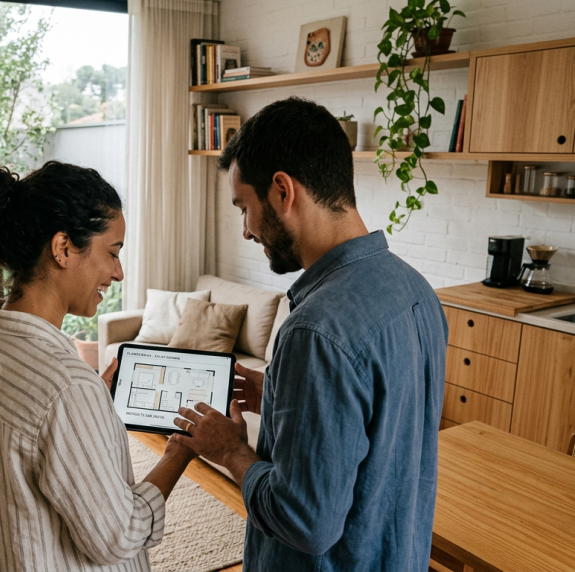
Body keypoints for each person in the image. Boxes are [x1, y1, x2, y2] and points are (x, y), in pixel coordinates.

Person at [173, 97, 448, 571]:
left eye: (245, 207)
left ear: (283, 191)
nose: (246, 230)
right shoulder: (417, 291)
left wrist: (230, 450)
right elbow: (379, 432)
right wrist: (280, 393)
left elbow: (305, 521)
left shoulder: (315, 331)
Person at [0, 161, 197, 571]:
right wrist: (179, 452)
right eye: (112, 253)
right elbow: (120, 538)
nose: (117, 272)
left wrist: (92, 402)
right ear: (62, 248)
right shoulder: (66, 387)